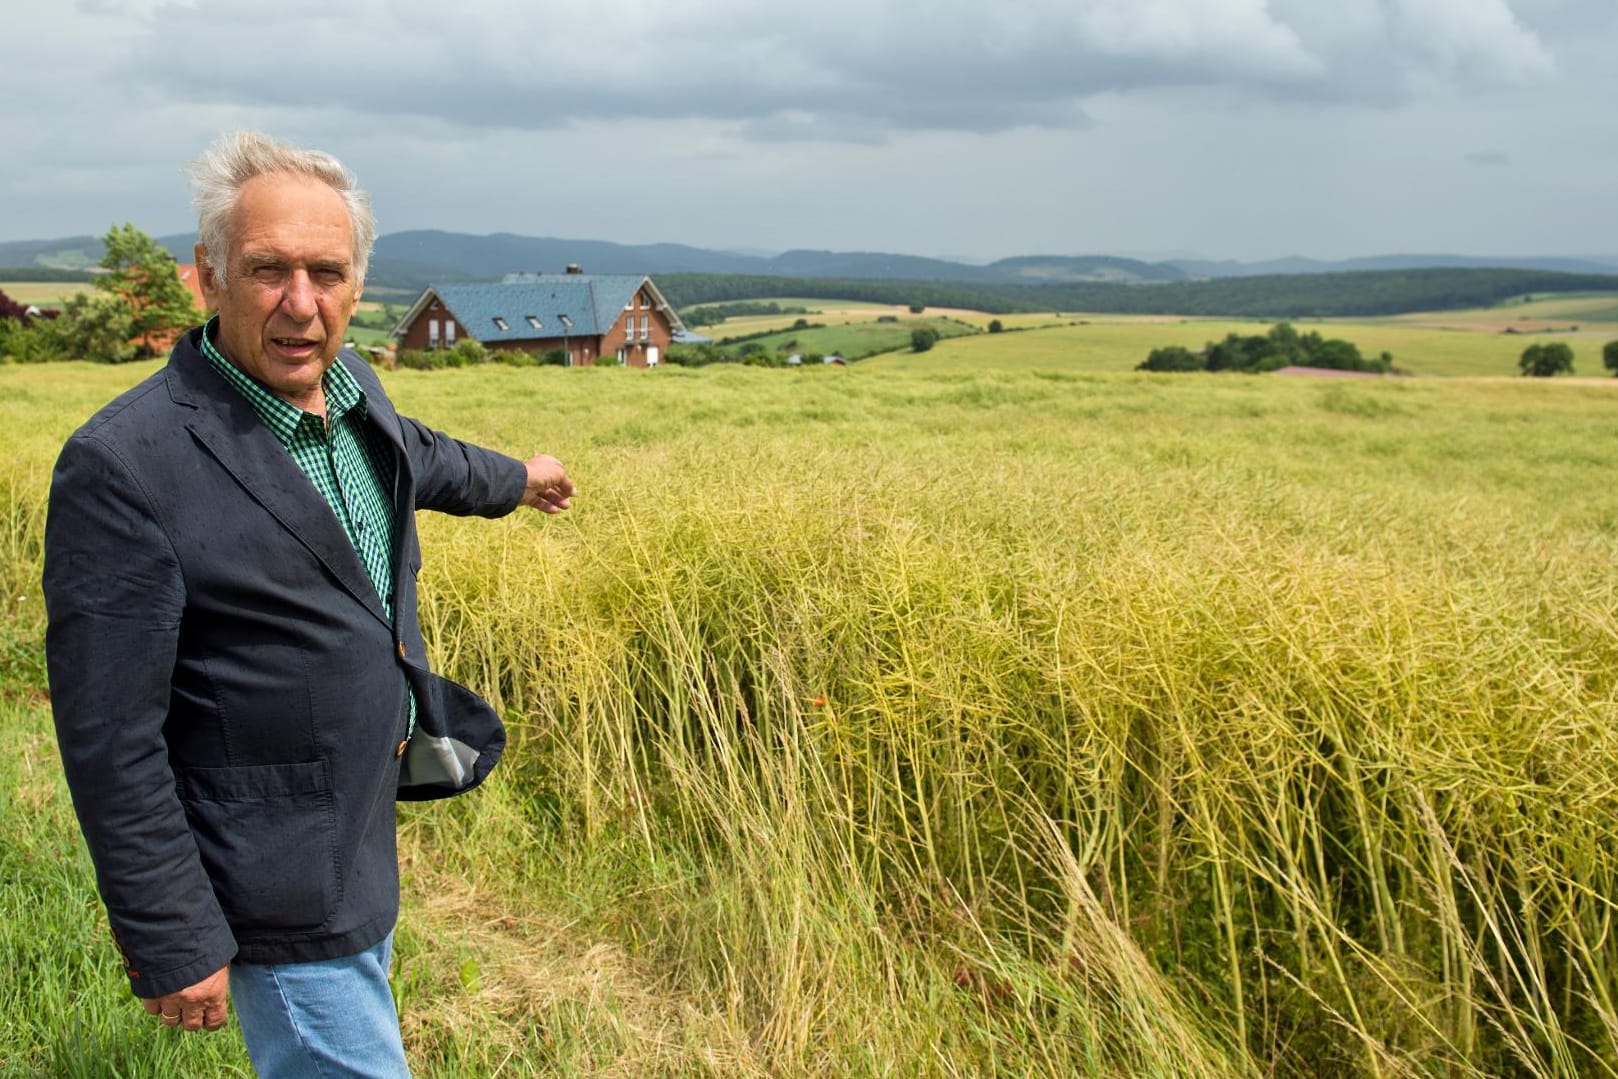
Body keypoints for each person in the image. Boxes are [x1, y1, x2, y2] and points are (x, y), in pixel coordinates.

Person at [42, 130, 575, 1077]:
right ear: (207, 276)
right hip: (271, 867)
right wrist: (172, 931)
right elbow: (108, 734)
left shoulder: (352, 384)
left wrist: (519, 478)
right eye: (267, 270)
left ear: (357, 283)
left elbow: (420, 456)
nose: (301, 303)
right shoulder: (125, 466)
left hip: (360, 827)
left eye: (326, 272)